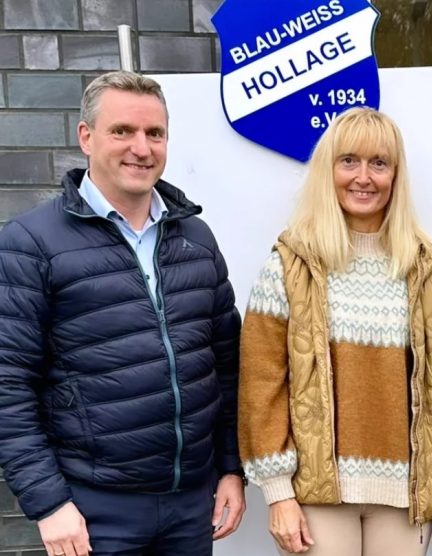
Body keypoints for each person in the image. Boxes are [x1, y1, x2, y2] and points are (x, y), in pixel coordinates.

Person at [0, 70, 244, 556]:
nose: (141, 147)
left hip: (191, 504)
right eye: (122, 131)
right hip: (93, 510)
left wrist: (230, 468)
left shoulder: (196, 239)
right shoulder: (31, 244)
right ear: (86, 138)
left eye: (155, 133)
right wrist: (49, 504)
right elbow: (8, 385)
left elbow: (228, 367)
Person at [238, 107, 432, 556]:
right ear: (328, 170)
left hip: (405, 497)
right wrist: (277, 492)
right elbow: (261, 386)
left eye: (379, 163)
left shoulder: (420, 267)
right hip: (318, 496)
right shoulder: (290, 266)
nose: (364, 177)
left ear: (395, 175)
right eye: (348, 161)